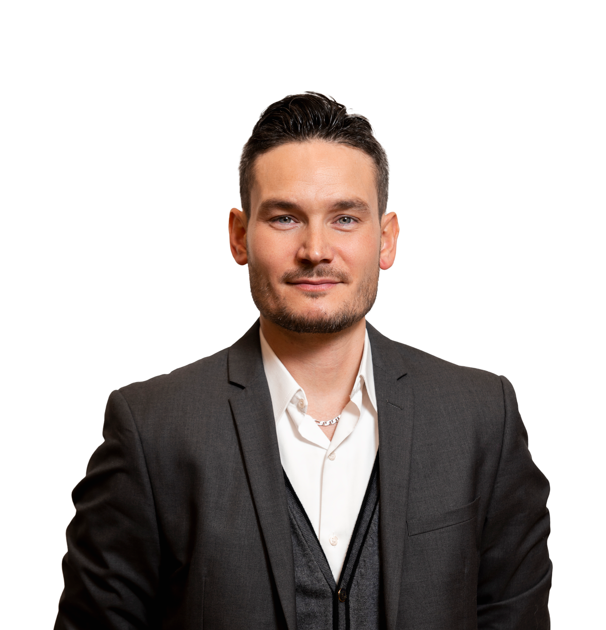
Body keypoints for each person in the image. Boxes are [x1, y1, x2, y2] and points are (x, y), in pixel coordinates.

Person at [54, 92, 552, 630]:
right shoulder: (152, 429)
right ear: (239, 236)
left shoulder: (482, 418)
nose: (316, 249)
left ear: (386, 240)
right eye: (286, 217)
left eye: (345, 218)